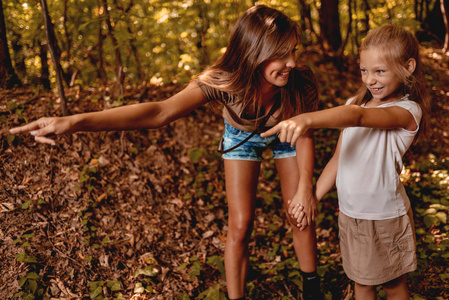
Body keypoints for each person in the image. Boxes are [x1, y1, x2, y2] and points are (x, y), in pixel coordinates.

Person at [10, 5, 324, 299]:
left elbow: (305, 136)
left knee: (301, 215)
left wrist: (304, 188)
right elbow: (160, 112)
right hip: (241, 135)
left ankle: (313, 289)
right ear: (255, 52)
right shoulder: (222, 82)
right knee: (240, 225)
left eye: (293, 51)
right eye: (281, 54)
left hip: (288, 133)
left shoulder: (299, 82)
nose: (292, 62)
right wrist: (72, 122)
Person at [262, 24, 430, 299]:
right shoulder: (358, 102)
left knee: (393, 285)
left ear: (408, 67)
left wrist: (305, 119)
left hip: (384, 217)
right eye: (364, 70)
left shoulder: (407, 111)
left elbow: (358, 118)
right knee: (361, 283)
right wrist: (311, 198)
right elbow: (339, 158)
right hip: (351, 215)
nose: (370, 79)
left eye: (380, 71)